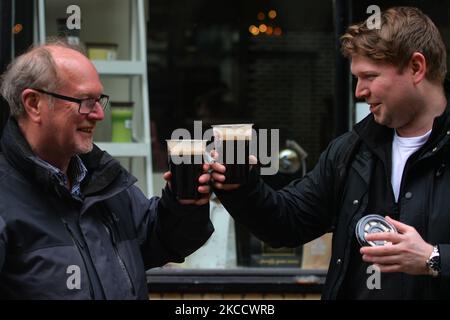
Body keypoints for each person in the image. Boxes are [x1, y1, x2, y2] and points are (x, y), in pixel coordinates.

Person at [211, 6, 450, 299]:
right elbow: (288, 223)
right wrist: (242, 187)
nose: (359, 92)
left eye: (370, 76)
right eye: (356, 78)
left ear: (416, 68)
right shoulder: (351, 150)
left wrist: (433, 258)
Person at [0, 41, 213, 299]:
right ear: (34, 104)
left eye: (99, 100)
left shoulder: (98, 177)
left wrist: (185, 201)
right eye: (85, 101)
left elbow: (160, 239)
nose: (99, 114)